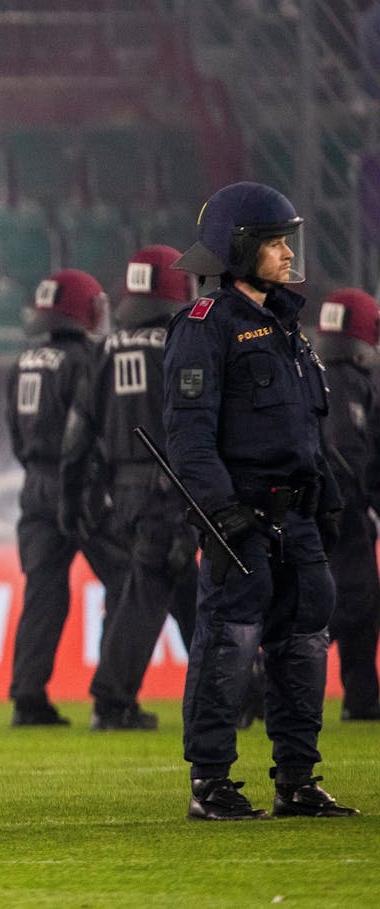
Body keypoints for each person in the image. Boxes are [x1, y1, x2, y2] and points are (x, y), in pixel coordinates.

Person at [164, 180, 358, 820]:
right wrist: (221, 514)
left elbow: (307, 423)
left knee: (305, 643)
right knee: (229, 641)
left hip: (299, 516)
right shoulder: (203, 327)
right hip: (242, 518)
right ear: (240, 248)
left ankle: (297, 779)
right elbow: (188, 436)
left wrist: (327, 495)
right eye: (274, 241)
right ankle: (211, 783)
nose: (286, 253)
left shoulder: (287, 325)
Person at [60, 246, 199, 731]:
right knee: (149, 592)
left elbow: (79, 433)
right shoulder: (183, 345)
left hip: (123, 493)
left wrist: (72, 495)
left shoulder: (104, 347)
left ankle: (242, 690)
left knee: (185, 592)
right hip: (173, 488)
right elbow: (195, 427)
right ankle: (112, 700)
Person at [5, 268, 127, 727]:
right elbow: (93, 429)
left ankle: (27, 698)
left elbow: (16, 436)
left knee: (43, 593)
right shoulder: (88, 360)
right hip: (81, 485)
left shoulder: (23, 361)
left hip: (34, 485)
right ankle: (112, 697)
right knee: (127, 580)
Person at [312, 287, 380, 722]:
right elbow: (357, 453)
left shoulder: (312, 374)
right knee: (355, 598)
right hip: (346, 506)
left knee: (360, 597)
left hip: (315, 504)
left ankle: (362, 694)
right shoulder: (355, 383)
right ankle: (271, 668)